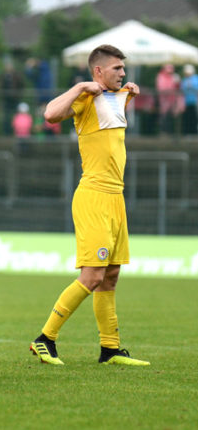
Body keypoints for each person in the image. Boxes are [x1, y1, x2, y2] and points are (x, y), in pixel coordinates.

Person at [30, 44, 150, 367]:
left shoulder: (119, 95)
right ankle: (45, 339)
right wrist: (81, 86)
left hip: (116, 198)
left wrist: (130, 92)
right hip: (94, 196)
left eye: (124, 69)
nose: (123, 74)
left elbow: (122, 99)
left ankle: (110, 349)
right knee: (93, 275)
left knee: (110, 276)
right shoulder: (85, 98)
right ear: (98, 71)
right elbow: (50, 114)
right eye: (116, 69)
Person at [155, 63, 182, 134]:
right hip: (163, 100)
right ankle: (163, 132)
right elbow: (160, 88)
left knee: (173, 116)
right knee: (163, 116)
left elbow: (178, 88)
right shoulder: (160, 76)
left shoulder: (174, 77)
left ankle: (172, 133)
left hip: (173, 100)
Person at [180, 64, 198, 135]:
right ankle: (188, 132)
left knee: (194, 118)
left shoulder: (196, 78)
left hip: (195, 102)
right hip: (187, 103)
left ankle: (194, 133)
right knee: (188, 118)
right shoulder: (184, 80)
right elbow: (182, 89)